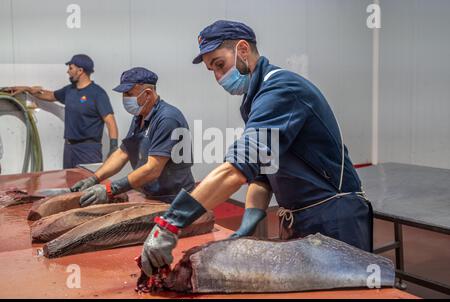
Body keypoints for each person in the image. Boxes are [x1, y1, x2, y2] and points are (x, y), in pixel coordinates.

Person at [137, 20, 373, 278]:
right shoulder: (256, 100)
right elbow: (262, 175)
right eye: (211, 70)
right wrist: (247, 225)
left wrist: (170, 224)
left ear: (243, 50)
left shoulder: (281, 89)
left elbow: (236, 170)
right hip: (299, 218)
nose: (218, 77)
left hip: (334, 217)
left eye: (219, 64)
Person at [72, 67, 195, 206]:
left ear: (148, 93)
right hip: (151, 195)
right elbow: (123, 153)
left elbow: (153, 169)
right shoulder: (140, 117)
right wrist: (94, 178)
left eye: (129, 93)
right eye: (124, 94)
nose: (125, 98)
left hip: (173, 199)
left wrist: (110, 189)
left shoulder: (167, 119)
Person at [7, 54, 119, 168]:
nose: (68, 72)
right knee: (69, 183)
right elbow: (50, 95)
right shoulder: (69, 90)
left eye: (71, 68)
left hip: (88, 150)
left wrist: (114, 148)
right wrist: (27, 89)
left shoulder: (98, 94)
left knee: (88, 183)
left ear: (80, 70)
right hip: (69, 148)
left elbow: (110, 121)